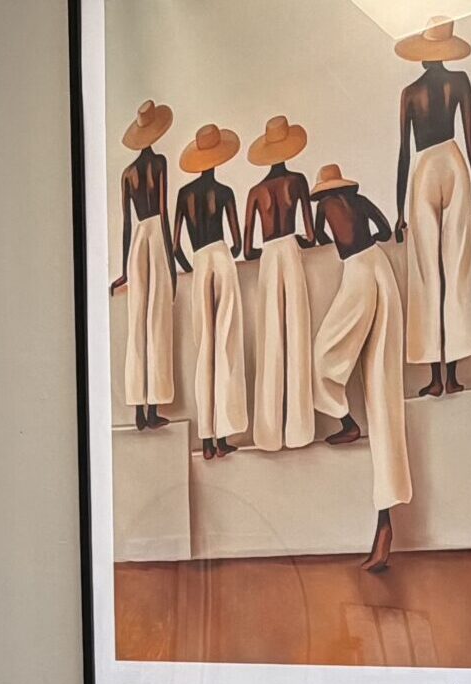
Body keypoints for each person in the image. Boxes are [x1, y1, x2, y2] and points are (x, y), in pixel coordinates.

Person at [306, 163, 409, 572]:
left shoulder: (323, 208)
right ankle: (385, 524)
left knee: (322, 357)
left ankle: (346, 421)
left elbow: (317, 239)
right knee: (384, 390)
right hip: (381, 268)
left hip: (359, 275)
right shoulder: (358, 200)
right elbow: (383, 230)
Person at [392, 17, 471, 399]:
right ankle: (452, 374)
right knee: (457, 265)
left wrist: (399, 211)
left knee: (426, 270)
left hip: (424, 169)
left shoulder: (410, 92)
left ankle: (435, 377)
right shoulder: (459, 81)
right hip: (454, 164)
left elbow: (403, 152)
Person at [171, 122, 248, 460]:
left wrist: (192, 268)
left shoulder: (184, 195)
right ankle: (223, 435)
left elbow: (175, 247)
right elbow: (238, 243)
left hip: (200, 262)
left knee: (205, 348)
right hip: (222, 258)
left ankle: (206, 438)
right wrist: (223, 255)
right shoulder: (226, 192)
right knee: (226, 345)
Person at [242, 115, 319, 453]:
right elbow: (311, 235)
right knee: (297, 334)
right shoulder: (297, 181)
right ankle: (299, 430)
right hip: (290, 250)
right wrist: (297, 240)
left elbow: (247, 250)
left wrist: (267, 249)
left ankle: (268, 433)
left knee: (270, 340)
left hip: (269, 257)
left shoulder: (255, 192)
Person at [109, 100, 186, 432]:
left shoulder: (127, 173)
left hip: (137, 242)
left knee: (137, 321)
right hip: (154, 237)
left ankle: (139, 411)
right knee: (156, 320)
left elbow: (127, 224)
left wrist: (125, 270)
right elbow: (163, 213)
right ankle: (152, 407)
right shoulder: (159, 163)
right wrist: (170, 260)